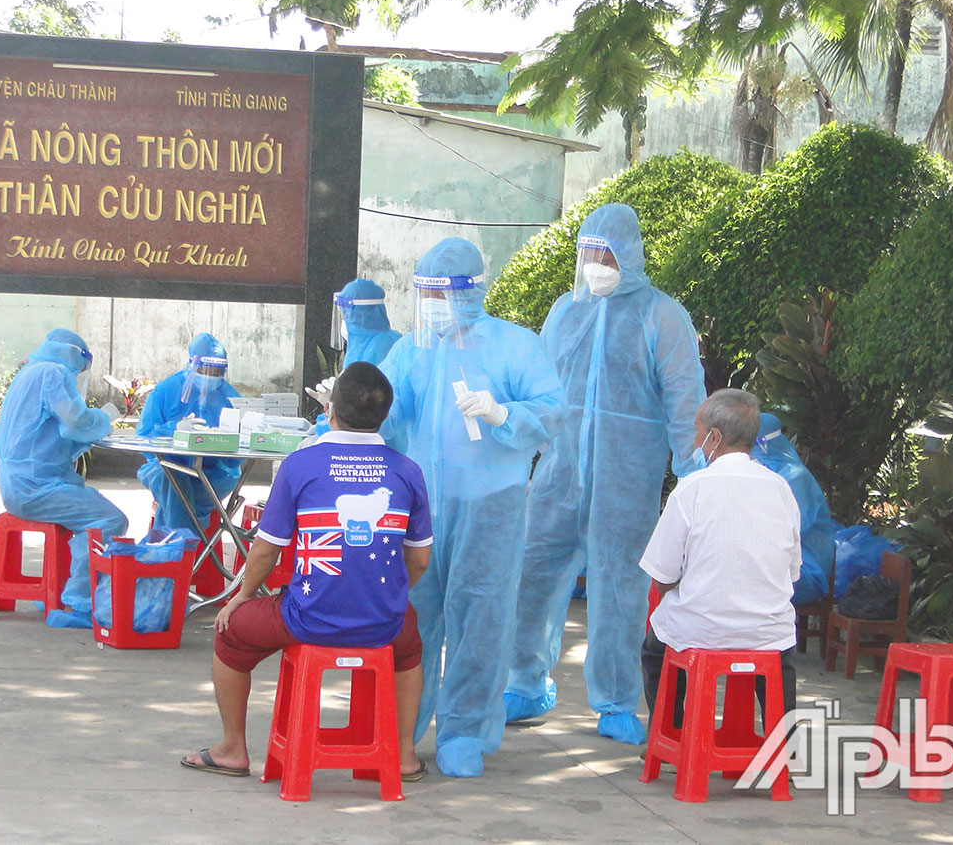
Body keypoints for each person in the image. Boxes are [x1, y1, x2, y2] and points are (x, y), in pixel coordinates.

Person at [504, 203, 707, 746]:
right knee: (530, 575)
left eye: (607, 254)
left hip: (625, 483)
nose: (596, 264)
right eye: (589, 253)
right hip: (557, 478)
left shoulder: (663, 317)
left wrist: (695, 475)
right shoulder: (565, 311)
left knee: (619, 590)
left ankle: (615, 701)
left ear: (630, 254)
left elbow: (685, 404)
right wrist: (517, 448)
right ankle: (524, 683)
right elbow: (539, 391)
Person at [181, 362, 431, 781]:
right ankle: (404, 757)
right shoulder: (408, 472)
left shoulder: (300, 465)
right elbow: (419, 560)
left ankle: (232, 749)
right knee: (408, 649)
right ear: (386, 416)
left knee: (230, 634)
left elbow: (265, 552)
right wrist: (386, 597)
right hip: (384, 621)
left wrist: (241, 597)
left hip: (307, 616)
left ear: (329, 409)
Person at [378, 238, 565, 777]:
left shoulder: (514, 345)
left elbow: (553, 412)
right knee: (412, 619)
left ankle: (465, 731)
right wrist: (345, 410)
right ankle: (401, 730)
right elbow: (389, 414)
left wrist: (504, 414)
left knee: (481, 617)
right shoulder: (411, 350)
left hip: (490, 509)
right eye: (426, 293)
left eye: (442, 293)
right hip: (420, 510)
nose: (433, 305)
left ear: (468, 292)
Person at [639, 389, 801, 731]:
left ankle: (671, 733)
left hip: (700, 629)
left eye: (697, 431)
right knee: (778, 655)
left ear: (715, 437)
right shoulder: (781, 490)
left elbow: (662, 576)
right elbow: (791, 573)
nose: (694, 442)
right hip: (767, 630)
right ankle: (784, 746)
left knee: (655, 649)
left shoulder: (692, 488)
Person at [0, 329, 128, 626]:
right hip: (35, 486)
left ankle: (63, 593)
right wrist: (103, 418)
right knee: (109, 519)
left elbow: (48, 434)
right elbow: (74, 421)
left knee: (90, 503)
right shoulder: (55, 374)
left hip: (20, 482)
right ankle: (79, 604)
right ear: (77, 356)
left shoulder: (30, 372)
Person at [137, 333, 242, 530]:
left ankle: (174, 545)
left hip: (214, 475)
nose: (210, 376)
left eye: (216, 372)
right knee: (173, 481)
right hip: (164, 466)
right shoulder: (166, 390)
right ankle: (190, 542)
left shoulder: (231, 398)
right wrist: (174, 430)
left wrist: (220, 441)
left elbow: (237, 456)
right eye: (205, 370)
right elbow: (144, 436)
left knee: (177, 498)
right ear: (192, 365)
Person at [751, 413, 837, 607]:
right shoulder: (775, 472)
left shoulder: (793, 478)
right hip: (783, 564)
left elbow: (785, 535)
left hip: (806, 571)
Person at [306, 279, 403, 428]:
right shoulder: (360, 344)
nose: (343, 319)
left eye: (345, 314)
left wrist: (336, 407)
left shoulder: (381, 346)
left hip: (376, 436)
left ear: (358, 315)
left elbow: (366, 411)